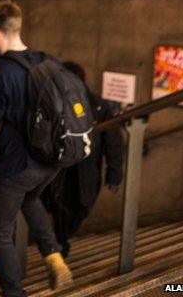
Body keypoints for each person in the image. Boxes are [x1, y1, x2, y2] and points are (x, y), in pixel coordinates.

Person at [0, 0, 72, 296]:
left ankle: (13, 293)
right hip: (50, 163)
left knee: (0, 233)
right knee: (29, 200)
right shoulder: (47, 61)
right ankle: (54, 257)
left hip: (15, 166)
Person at [42, 61, 125, 258]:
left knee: (80, 209)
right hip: (61, 170)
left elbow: (114, 141)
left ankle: (61, 240)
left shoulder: (98, 106)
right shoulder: (55, 103)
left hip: (86, 172)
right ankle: (60, 245)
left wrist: (114, 174)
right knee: (59, 206)